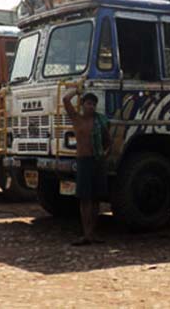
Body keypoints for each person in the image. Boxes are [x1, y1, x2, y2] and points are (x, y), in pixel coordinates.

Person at [63, 88, 111, 246]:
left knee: (96, 198)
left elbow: (108, 141)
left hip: (97, 161)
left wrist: (104, 154)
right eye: (88, 104)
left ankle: (92, 232)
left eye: (93, 104)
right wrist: (76, 90)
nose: (91, 107)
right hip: (83, 161)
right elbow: (65, 100)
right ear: (82, 105)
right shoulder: (77, 119)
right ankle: (86, 233)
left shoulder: (100, 121)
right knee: (85, 199)